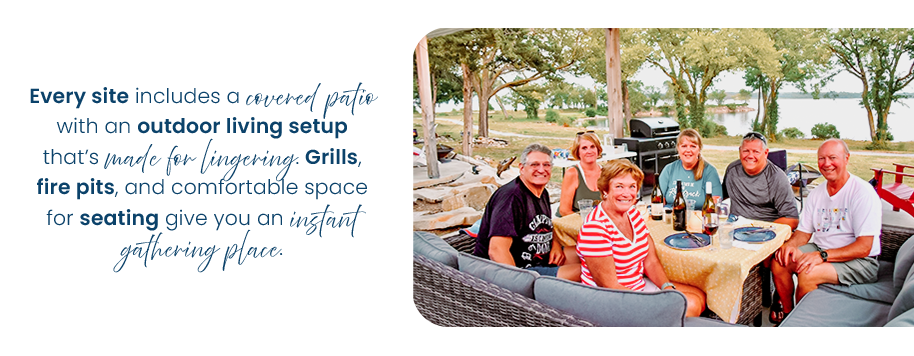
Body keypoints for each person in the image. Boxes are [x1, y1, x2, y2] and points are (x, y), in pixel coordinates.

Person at [768, 139, 882, 325]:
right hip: (822, 249)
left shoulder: (863, 192)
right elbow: (803, 233)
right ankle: (789, 316)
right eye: (821, 158)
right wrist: (789, 246)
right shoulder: (817, 193)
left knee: (808, 273)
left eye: (832, 157)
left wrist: (821, 255)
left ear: (846, 158)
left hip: (861, 261)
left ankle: (805, 322)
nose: (826, 164)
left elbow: (864, 247)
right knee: (780, 261)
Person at [577, 159, 706, 317]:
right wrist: (657, 300)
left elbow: (650, 261)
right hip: (612, 301)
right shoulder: (595, 228)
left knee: (700, 295)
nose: (627, 193)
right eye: (619, 186)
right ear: (605, 190)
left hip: (638, 286)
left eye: (632, 186)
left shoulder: (633, 213)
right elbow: (610, 286)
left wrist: (666, 288)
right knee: (690, 305)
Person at [473, 143, 581, 281]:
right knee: (586, 271)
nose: (541, 170)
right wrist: (518, 284)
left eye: (546, 165)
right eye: (534, 165)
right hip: (520, 270)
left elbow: (543, 225)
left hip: (540, 258)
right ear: (522, 168)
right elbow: (497, 251)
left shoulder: (542, 193)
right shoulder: (511, 197)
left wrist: (555, 245)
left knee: (591, 254)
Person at [722, 132, 800, 230]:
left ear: (766, 153)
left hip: (765, 231)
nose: (750, 156)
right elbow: (720, 196)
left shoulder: (776, 177)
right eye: (746, 151)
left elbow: (792, 219)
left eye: (756, 152)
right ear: (740, 151)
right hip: (735, 227)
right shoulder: (732, 170)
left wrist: (762, 230)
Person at [658, 129, 722, 210]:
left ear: (699, 149)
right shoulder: (669, 169)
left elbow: (715, 203)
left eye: (693, 146)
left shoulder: (710, 171)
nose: (688, 150)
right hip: (672, 217)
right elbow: (658, 200)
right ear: (678, 148)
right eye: (684, 146)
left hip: (700, 219)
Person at [558, 131, 603, 217]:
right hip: (573, 221)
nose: (589, 151)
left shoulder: (606, 173)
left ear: (598, 149)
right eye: (584, 148)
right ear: (578, 152)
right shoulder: (572, 173)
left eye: (592, 147)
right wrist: (587, 225)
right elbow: (564, 211)